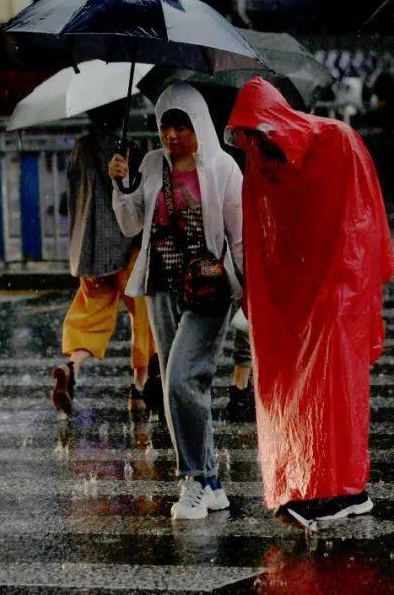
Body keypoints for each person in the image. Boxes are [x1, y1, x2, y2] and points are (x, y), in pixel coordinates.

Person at [226, 77, 394, 526]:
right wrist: (260, 300)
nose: (259, 144)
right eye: (250, 137)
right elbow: (260, 239)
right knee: (294, 392)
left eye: (263, 132)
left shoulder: (337, 142)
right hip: (295, 296)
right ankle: (307, 483)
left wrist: (341, 286)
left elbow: (361, 220)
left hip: (339, 288)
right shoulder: (260, 167)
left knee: (336, 389)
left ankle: (346, 489)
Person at [108, 83, 244, 521]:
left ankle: (192, 480)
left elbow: (239, 238)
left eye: (180, 126)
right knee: (176, 385)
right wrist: (122, 185)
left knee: (184, 378)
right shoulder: (149, 164)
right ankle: (212, 482)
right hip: (162, 285)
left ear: (198, 125)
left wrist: (247, 294)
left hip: (209, 289)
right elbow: (131, 226)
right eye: (164, 125)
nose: (170, 136)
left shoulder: (223, 168)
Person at [50, 114, 156, 418]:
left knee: (89, 314)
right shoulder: (130, 148)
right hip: (126, 246)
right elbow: (137, 196)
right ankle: (139, 383)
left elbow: (72, 193)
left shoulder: (80, 147)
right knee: (143, 317)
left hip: (91, 249)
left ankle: (73, 365)